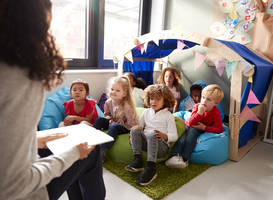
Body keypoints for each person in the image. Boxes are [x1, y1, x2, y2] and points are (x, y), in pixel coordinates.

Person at [0, 1, 105, 199]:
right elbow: (12, 185)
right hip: (23, 192)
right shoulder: (19, 78)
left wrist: (32, 140)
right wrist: (73, 154)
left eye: (81, 90)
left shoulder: (91, 103)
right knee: (91, 151)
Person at [125, 84, 178, 186]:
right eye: (151, 98)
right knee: (135, 128)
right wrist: (132, 136)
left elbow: (174, 136)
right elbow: (139, 126)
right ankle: (138, 160)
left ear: (165, 100)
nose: (154, 101)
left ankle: (151, 168)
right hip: (147, 143)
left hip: (160, 147)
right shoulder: (146, 112)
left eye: (158, 99)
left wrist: (164, 136)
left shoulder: (169, 116)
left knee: (152, 133)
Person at [165, 84, 224, 169]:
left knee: (192, 132)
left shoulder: (215, 112)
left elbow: (219, 129)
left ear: (216, 102)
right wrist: (199, 112)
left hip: (200, 129)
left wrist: (204, 127)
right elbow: (191, 123)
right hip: (190, 125)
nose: (204, 101)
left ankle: (185, 159)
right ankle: (174, 156)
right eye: (203, 97)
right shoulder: (197, 106)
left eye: (208, 99)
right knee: (183, 134)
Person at [93, 75, 139, 163]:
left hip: (125, 127)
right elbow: (106, 114)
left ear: (124, 94)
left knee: (114, 126)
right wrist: (110, 119)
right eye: (112, 89)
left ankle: (102, 151)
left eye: (117, 90)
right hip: (113, 123)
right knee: (99, 119)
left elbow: (133, 124)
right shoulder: (108, 102)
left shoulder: (126, 106)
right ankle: (93, 144)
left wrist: (132, 135)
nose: (113, 92)